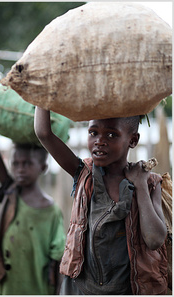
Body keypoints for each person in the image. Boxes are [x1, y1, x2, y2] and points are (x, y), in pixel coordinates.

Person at [34, 107, 168, 295]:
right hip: (82, 288)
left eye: (112, 135)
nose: (99, 141)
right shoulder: (83, 173)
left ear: (133, 140)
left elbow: (154, 239)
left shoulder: (150, 183)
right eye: (93, 132)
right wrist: (42, 95)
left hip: (127, 290)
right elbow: (44, 133)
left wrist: (140, 185)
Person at [0, 129, 66, 295]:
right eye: (15, 164)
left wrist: (59, 291)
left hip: (39, 288)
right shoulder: (11, 193)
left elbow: (58, 259)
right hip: (8, 287)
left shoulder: (51, 211)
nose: (20, 169)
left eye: (27, 163)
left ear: (43, 167)